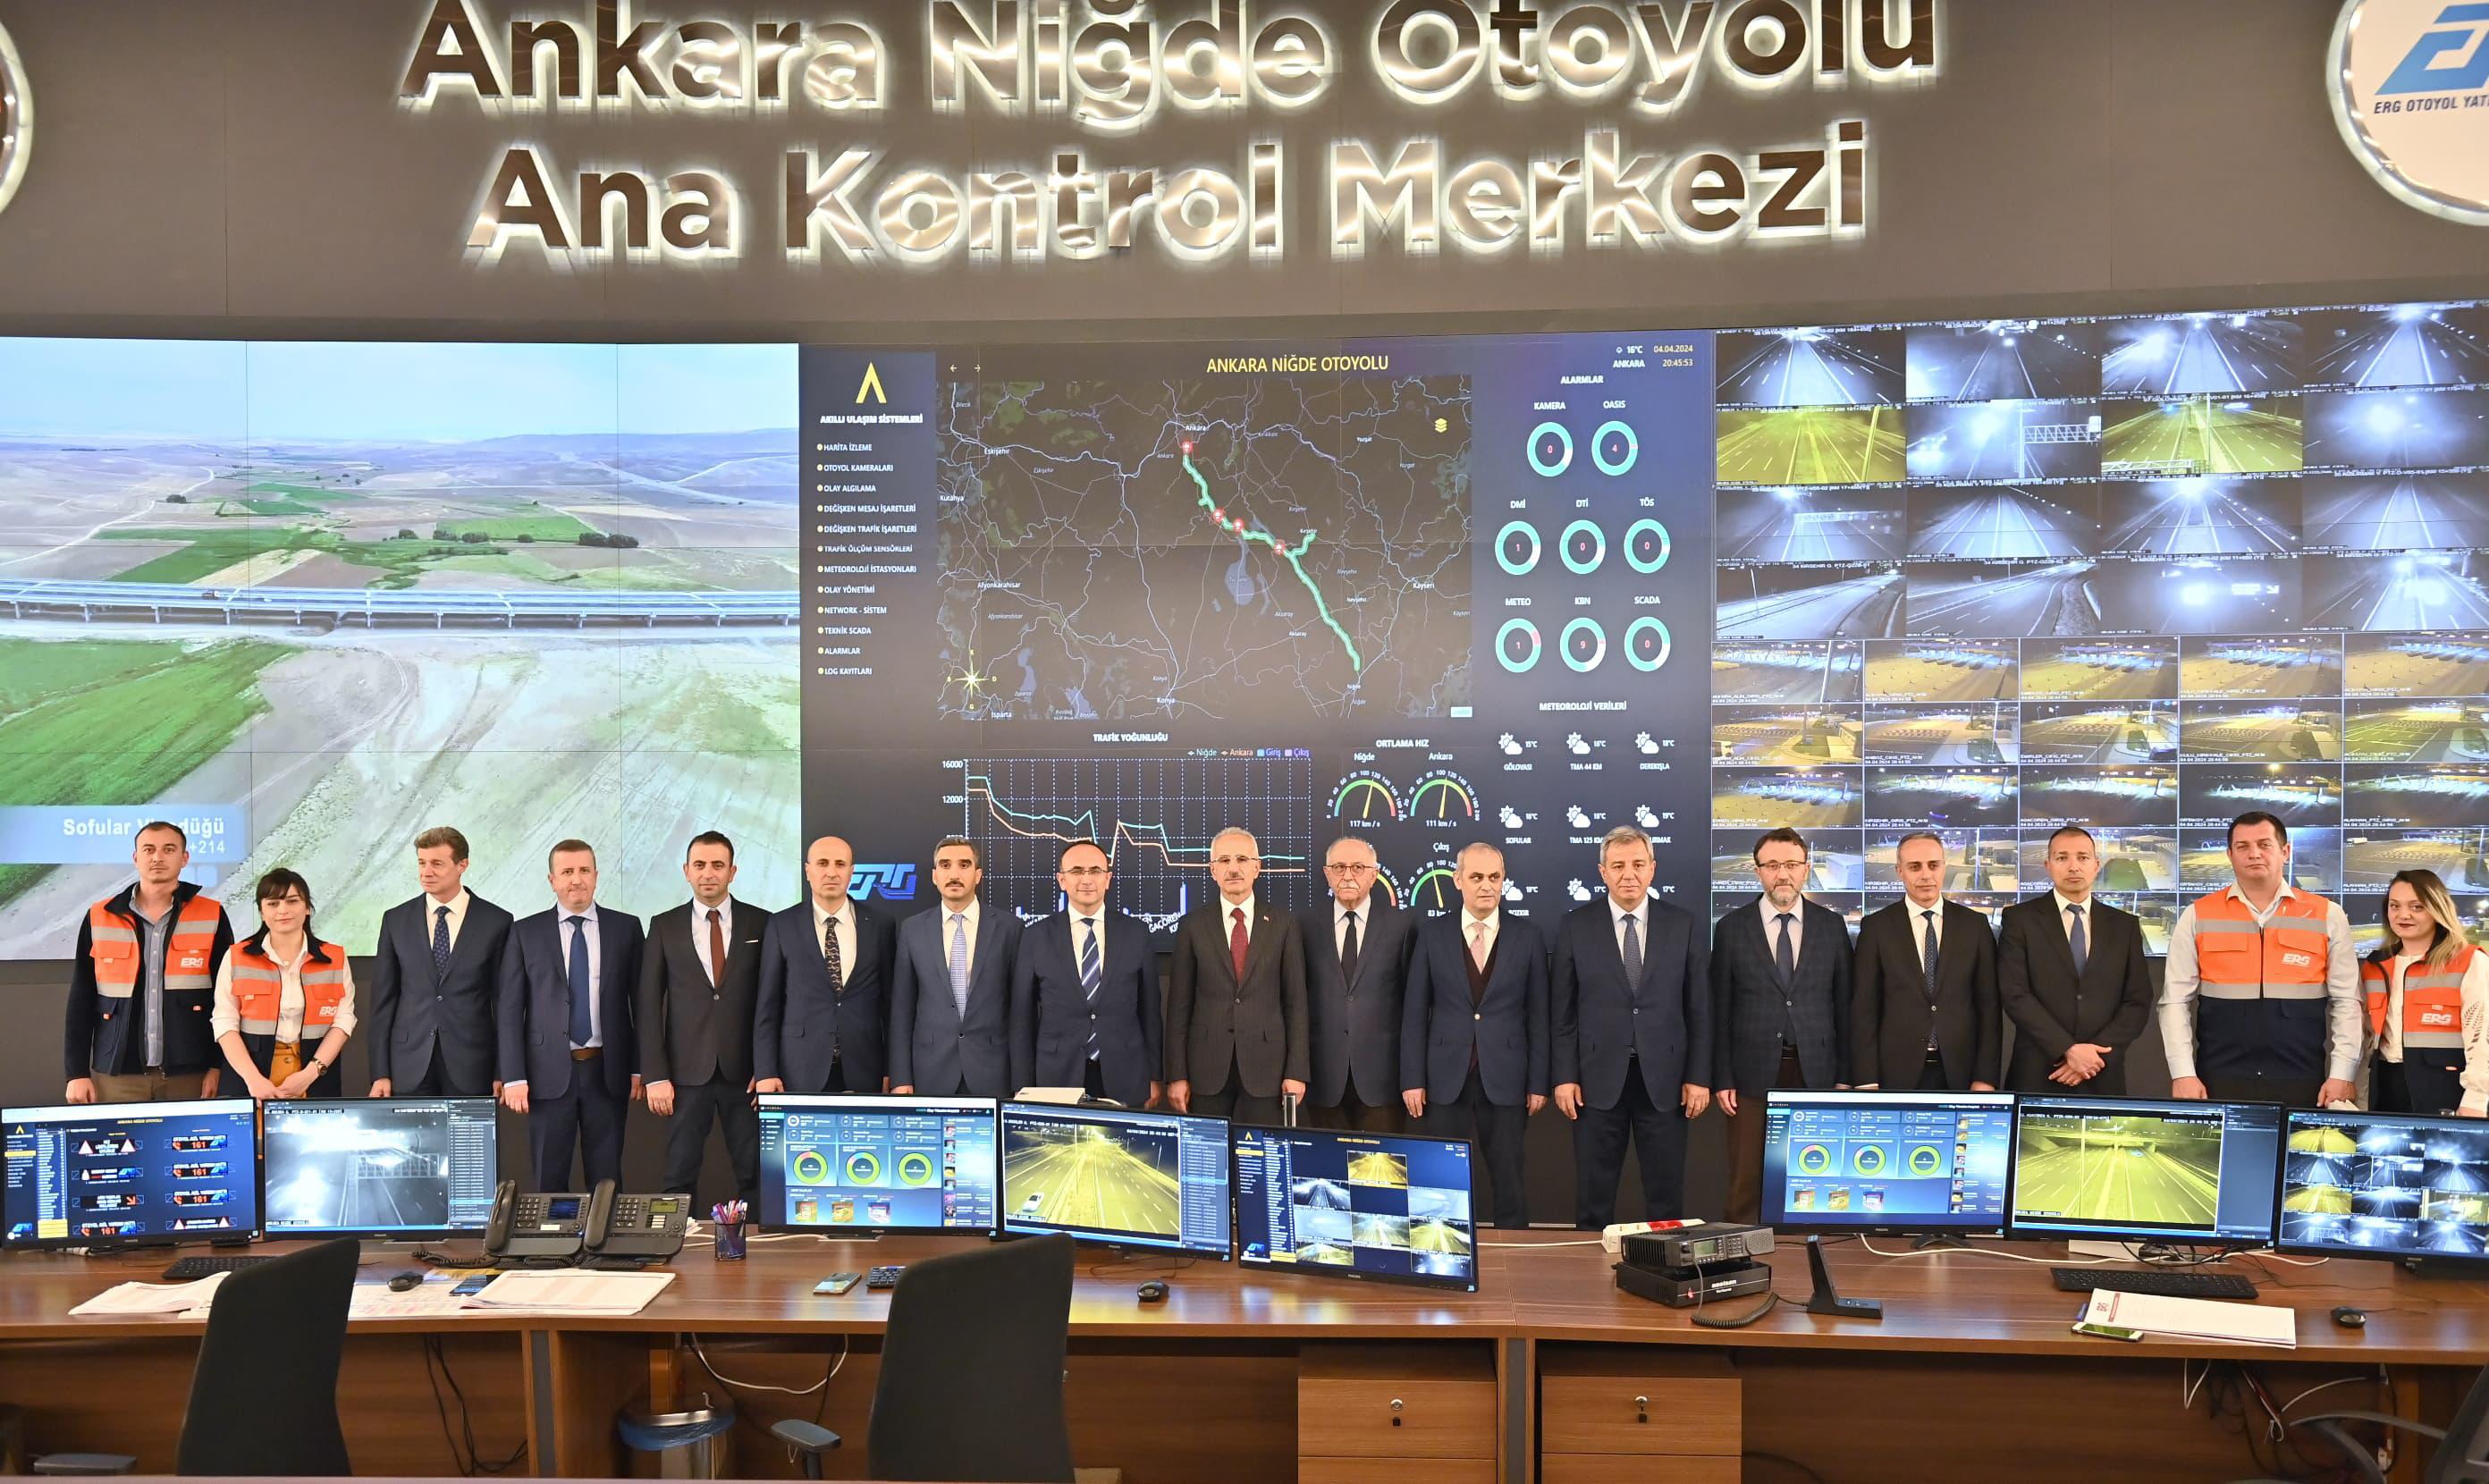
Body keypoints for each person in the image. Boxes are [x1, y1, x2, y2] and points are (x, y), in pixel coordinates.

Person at [1550, 826, 1710, 1229]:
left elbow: (1700, 1010)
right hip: (1595, 1083)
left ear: (1652, 868)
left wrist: (1698, 1077)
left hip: (1666, 1083)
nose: (1629, 875)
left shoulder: (1683, 924)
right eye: (1618, 865)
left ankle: (1666, 1265)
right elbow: (1563, 1013)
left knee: (1666, 1197)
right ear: (1602, 872)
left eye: (1638, 864)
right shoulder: (1575, 926)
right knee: (1594, 1196)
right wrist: (1565, 1077)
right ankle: (1589, 1266)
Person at [2158, 812, 2360, 1109]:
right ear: (2230, 855)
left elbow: (2347, 1001)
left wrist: (2343, 1073)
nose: (2254, 854)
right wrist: (2183, 1073)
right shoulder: (2197, 915)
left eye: (2264, 845)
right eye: (2243, 846)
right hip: (2218, 1079)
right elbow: (2175, 1001)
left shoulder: (2327, 914)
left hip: (2304, 1080)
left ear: (2285, 851)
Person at [1402, 842, 1548, 1229]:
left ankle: (1514, 1255)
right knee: (1439, 1181)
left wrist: (1538, 1082)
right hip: (1444, 1079)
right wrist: (1413, 1079)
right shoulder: (1432, 935)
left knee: (1509, 1178)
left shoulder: (1528, 936)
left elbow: (1539, 1016)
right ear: (1458, 880)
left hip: (1507, 1078)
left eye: (1494, 877)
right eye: (1477, 877)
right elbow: (1414, 1012)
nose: (1487, 885)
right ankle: (1440, 1251)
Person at [1713, 827, 1851, 1226]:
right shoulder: (1731, 928)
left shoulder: (1832, 926)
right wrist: (1723, 1077)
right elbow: (1719, 1009)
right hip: (1751, 1073)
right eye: (1772, 865)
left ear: (1806, 868)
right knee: (1746, 1182)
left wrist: (1845, 1076)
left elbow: (1845, 1007)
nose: (1782, 874)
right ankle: (1742, 1251)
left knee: (1819, 1177)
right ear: (1757, 871)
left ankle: (1815, 1250)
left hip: (1818, 1072)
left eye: (1791, 864)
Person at [497, 840, 644, 1191]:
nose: (576, 879)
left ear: (596, 876)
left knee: (607, 1178)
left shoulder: (626, 928)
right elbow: (509, 1009)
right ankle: (552, 1231)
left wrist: (639, 1067)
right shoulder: (525, 932)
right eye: (567, 872)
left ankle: (605, 1231)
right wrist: (513, 1076)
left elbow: (642, 1005)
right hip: (546, 1074)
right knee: (549, 1177)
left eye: (584, 870)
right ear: (552, 880)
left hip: (607, 1072)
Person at [637, 831, 765, 1206]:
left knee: (756, 1174)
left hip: (746, 1076)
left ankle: (761, 1242)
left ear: (732, 871)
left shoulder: (761, 923)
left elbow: (772, 1003)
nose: (709, 873)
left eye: (717, 865)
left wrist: (768, 1068)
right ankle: (677, 1240)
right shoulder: (664, 925)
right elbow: (648, 1005)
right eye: (700, 865)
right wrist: (655, 1075)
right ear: (686, 871)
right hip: (685, 1075)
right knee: (679, 1175)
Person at [64, 821, 232, 1104]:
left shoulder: (212, 914)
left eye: (169, 849)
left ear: (184, 858)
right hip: (118, 1075)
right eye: (149, 849)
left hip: (191, 1074)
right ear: (136, 858)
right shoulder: (100, 915)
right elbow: (81, 998)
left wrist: (218, 1066)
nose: (158, 857)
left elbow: (226, 1000)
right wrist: (76, 1073)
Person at [1165, 827, 1309, 1125]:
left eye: (1242, 859)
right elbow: (1179, 1007)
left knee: (1260, 1152)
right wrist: (1177, 1075)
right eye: (1224, 860)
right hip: (1206, 1070)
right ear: (1213, 870)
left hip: (1268, 1070)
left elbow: (1296, 1004)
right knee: (1207, 1151)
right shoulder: (1192, 925)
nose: (1233, 868)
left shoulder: (1284, 924)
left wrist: (1296, 1071)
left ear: (1257, 868)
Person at [1997, 824, 2154, 1095]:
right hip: (2039, 1071)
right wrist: (2067, 1050)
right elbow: (2015, 994)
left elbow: (2137, 1000)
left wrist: (2092, 1057)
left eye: (2082, 858)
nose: (2073, 867)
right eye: (2062, 858)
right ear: (2048, 865)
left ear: (2096, 865)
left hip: (2101, 1071)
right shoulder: (2020, 920)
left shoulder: (2124, 925)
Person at [365, 826, 514, 1098]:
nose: (426, 872)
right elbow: (383, 1003)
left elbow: (505, 1003)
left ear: (462, 865)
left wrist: (502, 1070)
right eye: (421, 863)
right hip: (407, 1064)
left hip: (472, 1064)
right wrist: (380, 1072)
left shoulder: (496, 921)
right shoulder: (396, 920)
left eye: (437, 863)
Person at [1010, 839, 1162, 1107]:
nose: (1087, 879)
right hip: (1057, 1074)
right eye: (1077, 871)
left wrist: (1154, 1076)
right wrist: (1022, 1084)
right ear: (1062, 880)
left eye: (1095, 871)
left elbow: (1150, 1012)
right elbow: (1022, 1018)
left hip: (1126, 1073)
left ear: (1108, 879)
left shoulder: (1136, 933)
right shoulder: (1036, 936)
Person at [1852, 832, 2000, 1093]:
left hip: (1962, 1073)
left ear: (1944, 867)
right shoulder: (1876, 927)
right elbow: (1865, 1008)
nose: (1925, 875)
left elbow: (1989, 1007)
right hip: (1895, 1074)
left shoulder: (1974, 925)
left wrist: (1985, 1077)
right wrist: (1866, 1079)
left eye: (1933, 865)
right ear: (1900, 871)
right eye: (1915, 867)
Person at [755, 835, 898, 1097]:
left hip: (866, 1069)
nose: (831, 872)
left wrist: (893, 1070)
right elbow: (768, 1007)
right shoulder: (781, 925)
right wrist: (766, 1072)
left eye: (840, 864)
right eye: (822, 863)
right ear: (808, 871)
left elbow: (891, 1008)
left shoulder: (880, 925)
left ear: (852, 872)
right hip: (799, 1069)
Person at [1298, 836, 1416, 1132]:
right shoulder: (1304, 925)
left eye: (1358, 867)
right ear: (1327, 874)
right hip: (1323, 1078)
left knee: (1379, 1162)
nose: (1348, 875)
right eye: (1339, 867)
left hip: (1383, 1081)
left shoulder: (1402, 926)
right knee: (1325, 1162)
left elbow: (1414, 1006)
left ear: (1374, 874)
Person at [890, 838, 1022, 1099]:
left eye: (964, 865)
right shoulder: (912, 929)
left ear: (978, 875)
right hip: (930, 1072)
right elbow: (902, 1009)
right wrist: (901, 1077)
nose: (954, 874)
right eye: (945, 865)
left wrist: (1021, 1081)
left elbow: (1020, 1011)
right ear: (934, 876)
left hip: (993, 1072)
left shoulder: (1009, 928)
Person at [213, 868, 354, 1100]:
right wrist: (253, 1079)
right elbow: (224, 1022)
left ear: (307, 907)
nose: (283, 910)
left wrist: (311, 1073)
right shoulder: (236, 956)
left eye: (292, 901)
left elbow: (343, 1020)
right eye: (273, 903)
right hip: (249, 1077)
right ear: (262, 912)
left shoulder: (335, 957)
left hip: (314, 1075)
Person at [2362, 869, 2487, 1117]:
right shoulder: (2374, 966)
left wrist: (2477, 1099)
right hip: (2385, 1088)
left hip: (2449, 1089)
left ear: (2437, 909)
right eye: (2395, 906)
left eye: (2417, 907)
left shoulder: (2470, 961)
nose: (2403, 915)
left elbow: (2484, 1037)